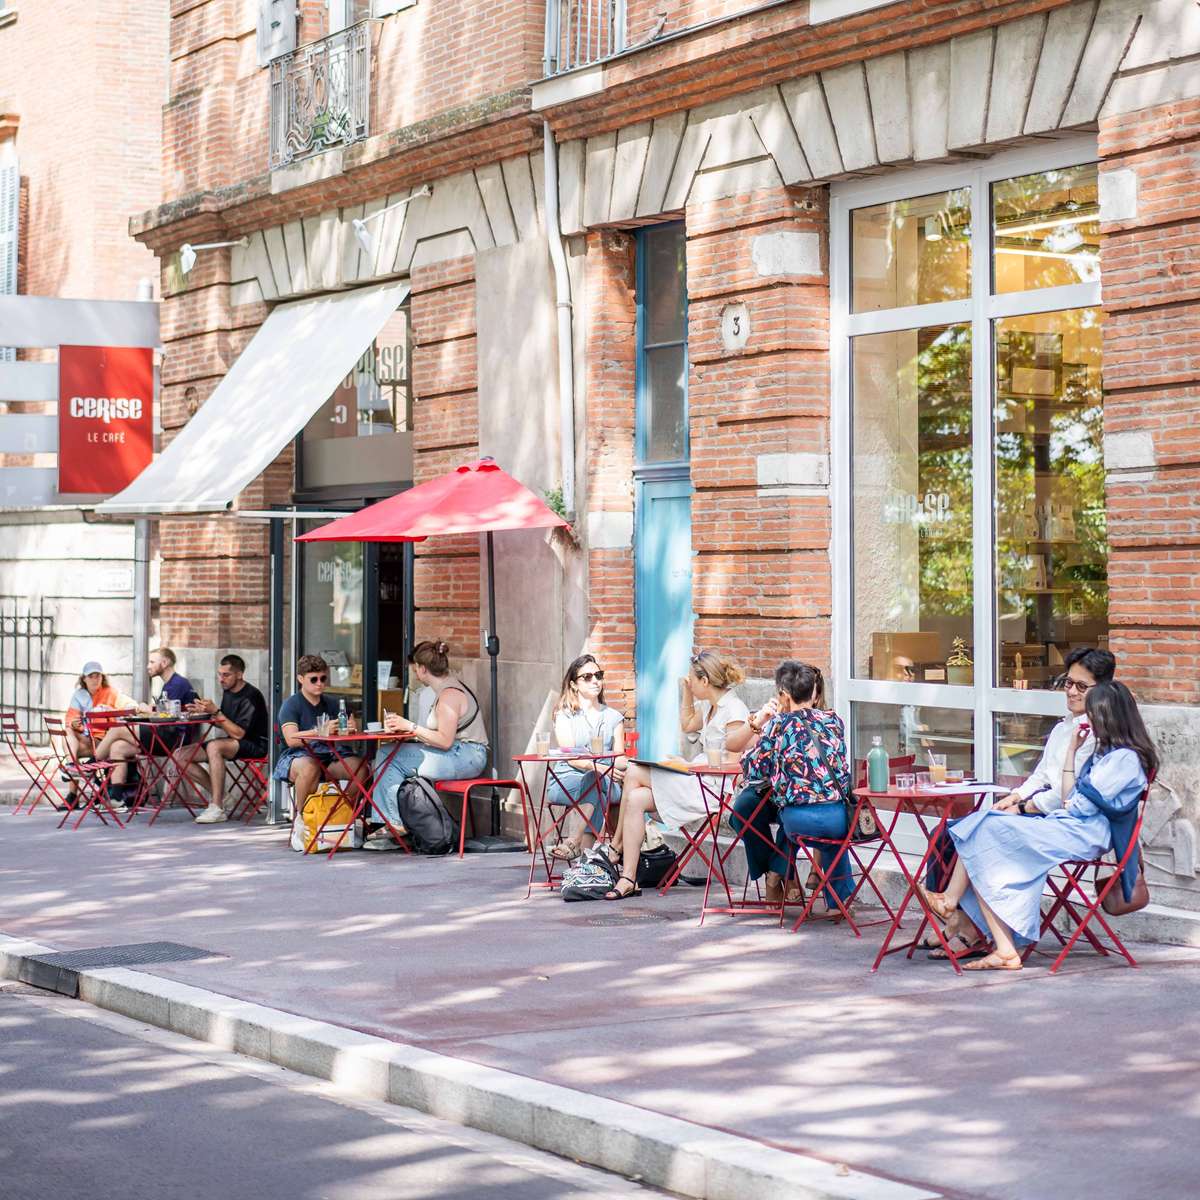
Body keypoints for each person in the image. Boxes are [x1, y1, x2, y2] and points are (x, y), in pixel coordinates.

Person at [920, 680, 1156, 972]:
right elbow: (1071, 797)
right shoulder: (1104, 754)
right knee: (984, 829)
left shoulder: (1125, 760)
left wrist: (1070, 801)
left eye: (1093, 713)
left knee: (985, 832)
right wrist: (1072, 751)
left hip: (1086, 834)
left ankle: (969, 916)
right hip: (1070, 825)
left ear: (1108, 716)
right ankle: (994, 939)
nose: (1089, 719)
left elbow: (1078, 805)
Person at [603, 650, 752, 901]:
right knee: (637, 798)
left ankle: (616, 846)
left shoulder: (734, 709)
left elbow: (733, 765)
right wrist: (687, 691)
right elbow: (687, 724)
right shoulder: (711, 706)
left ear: (705, 681)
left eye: (692, 680)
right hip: (696, 779)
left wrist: (688, 767)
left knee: (634, 770)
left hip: (712, 789)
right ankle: (628, 878)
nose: (689, 682)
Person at [730, 661, 854, 912]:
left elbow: (753, 769)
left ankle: (778, 873)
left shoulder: (778, 725)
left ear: (784, 695)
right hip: (840, 818)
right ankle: (838, 902)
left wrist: (761, 727)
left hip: (799, 821)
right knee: (831, 839)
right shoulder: (834, 721)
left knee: (788, 816)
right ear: (813, 692)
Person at [365, 640, 489, 851]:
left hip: (467, 756)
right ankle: (395, 823)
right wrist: (408, 733)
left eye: (415, 669)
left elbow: (445, 740)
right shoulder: (446, 690)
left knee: (387, 756)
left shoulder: (449, 695)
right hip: (459, 753)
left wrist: (410, 727)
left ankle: (394, 823)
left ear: (422, 669)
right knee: (387, 753)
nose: (415, 674)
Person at [91, 647, 199, 809]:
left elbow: (168, 717)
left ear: (165, 662)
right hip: (162, 735)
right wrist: (149, 710)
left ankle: (90, 765)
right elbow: (165, 713)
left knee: (118, 729)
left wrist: (148, 710)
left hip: (173, 739)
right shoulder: (169, 684)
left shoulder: (178, 683)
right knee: (117, 747)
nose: (148, 666)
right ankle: (116, 798)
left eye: (152, 662)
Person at [546, 654, 626, 861]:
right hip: (565, 781)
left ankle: (573, 841)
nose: (595, 681)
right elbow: (571, 757)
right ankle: (585, 862)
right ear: (574, 684)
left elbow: (619, 757)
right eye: (587, 677)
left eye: (598, 675)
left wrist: (625, 765)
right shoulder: (564, 715)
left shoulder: (614, 718)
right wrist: (598, 767)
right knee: (596, 785)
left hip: (607, 781)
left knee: (595, 782)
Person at [272, 654, 367, 812]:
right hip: (296, 756)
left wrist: (350, 728)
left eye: (323, 678)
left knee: (361, 768)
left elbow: (347, 732)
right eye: (314, 679)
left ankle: (339, 813)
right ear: (301, 679)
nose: (319, 683)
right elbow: (291, 740)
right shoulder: (291, 705)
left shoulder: (333, 703)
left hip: (329, 755)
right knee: (310, 767)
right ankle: (302, 816)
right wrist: (321, 731)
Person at [186, 654, 270, 824]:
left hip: (255, 744)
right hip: (234, 741)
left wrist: (216, 712)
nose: (221, 679)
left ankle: (217, 807)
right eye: (219, 674)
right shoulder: (228, 691)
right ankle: (224, 797)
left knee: (214, 747)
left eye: (226, 675)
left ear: (239, 674)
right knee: (181, 755)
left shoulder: (251, 696)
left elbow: (239, 733)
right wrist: (205, 714)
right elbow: (226, 724)